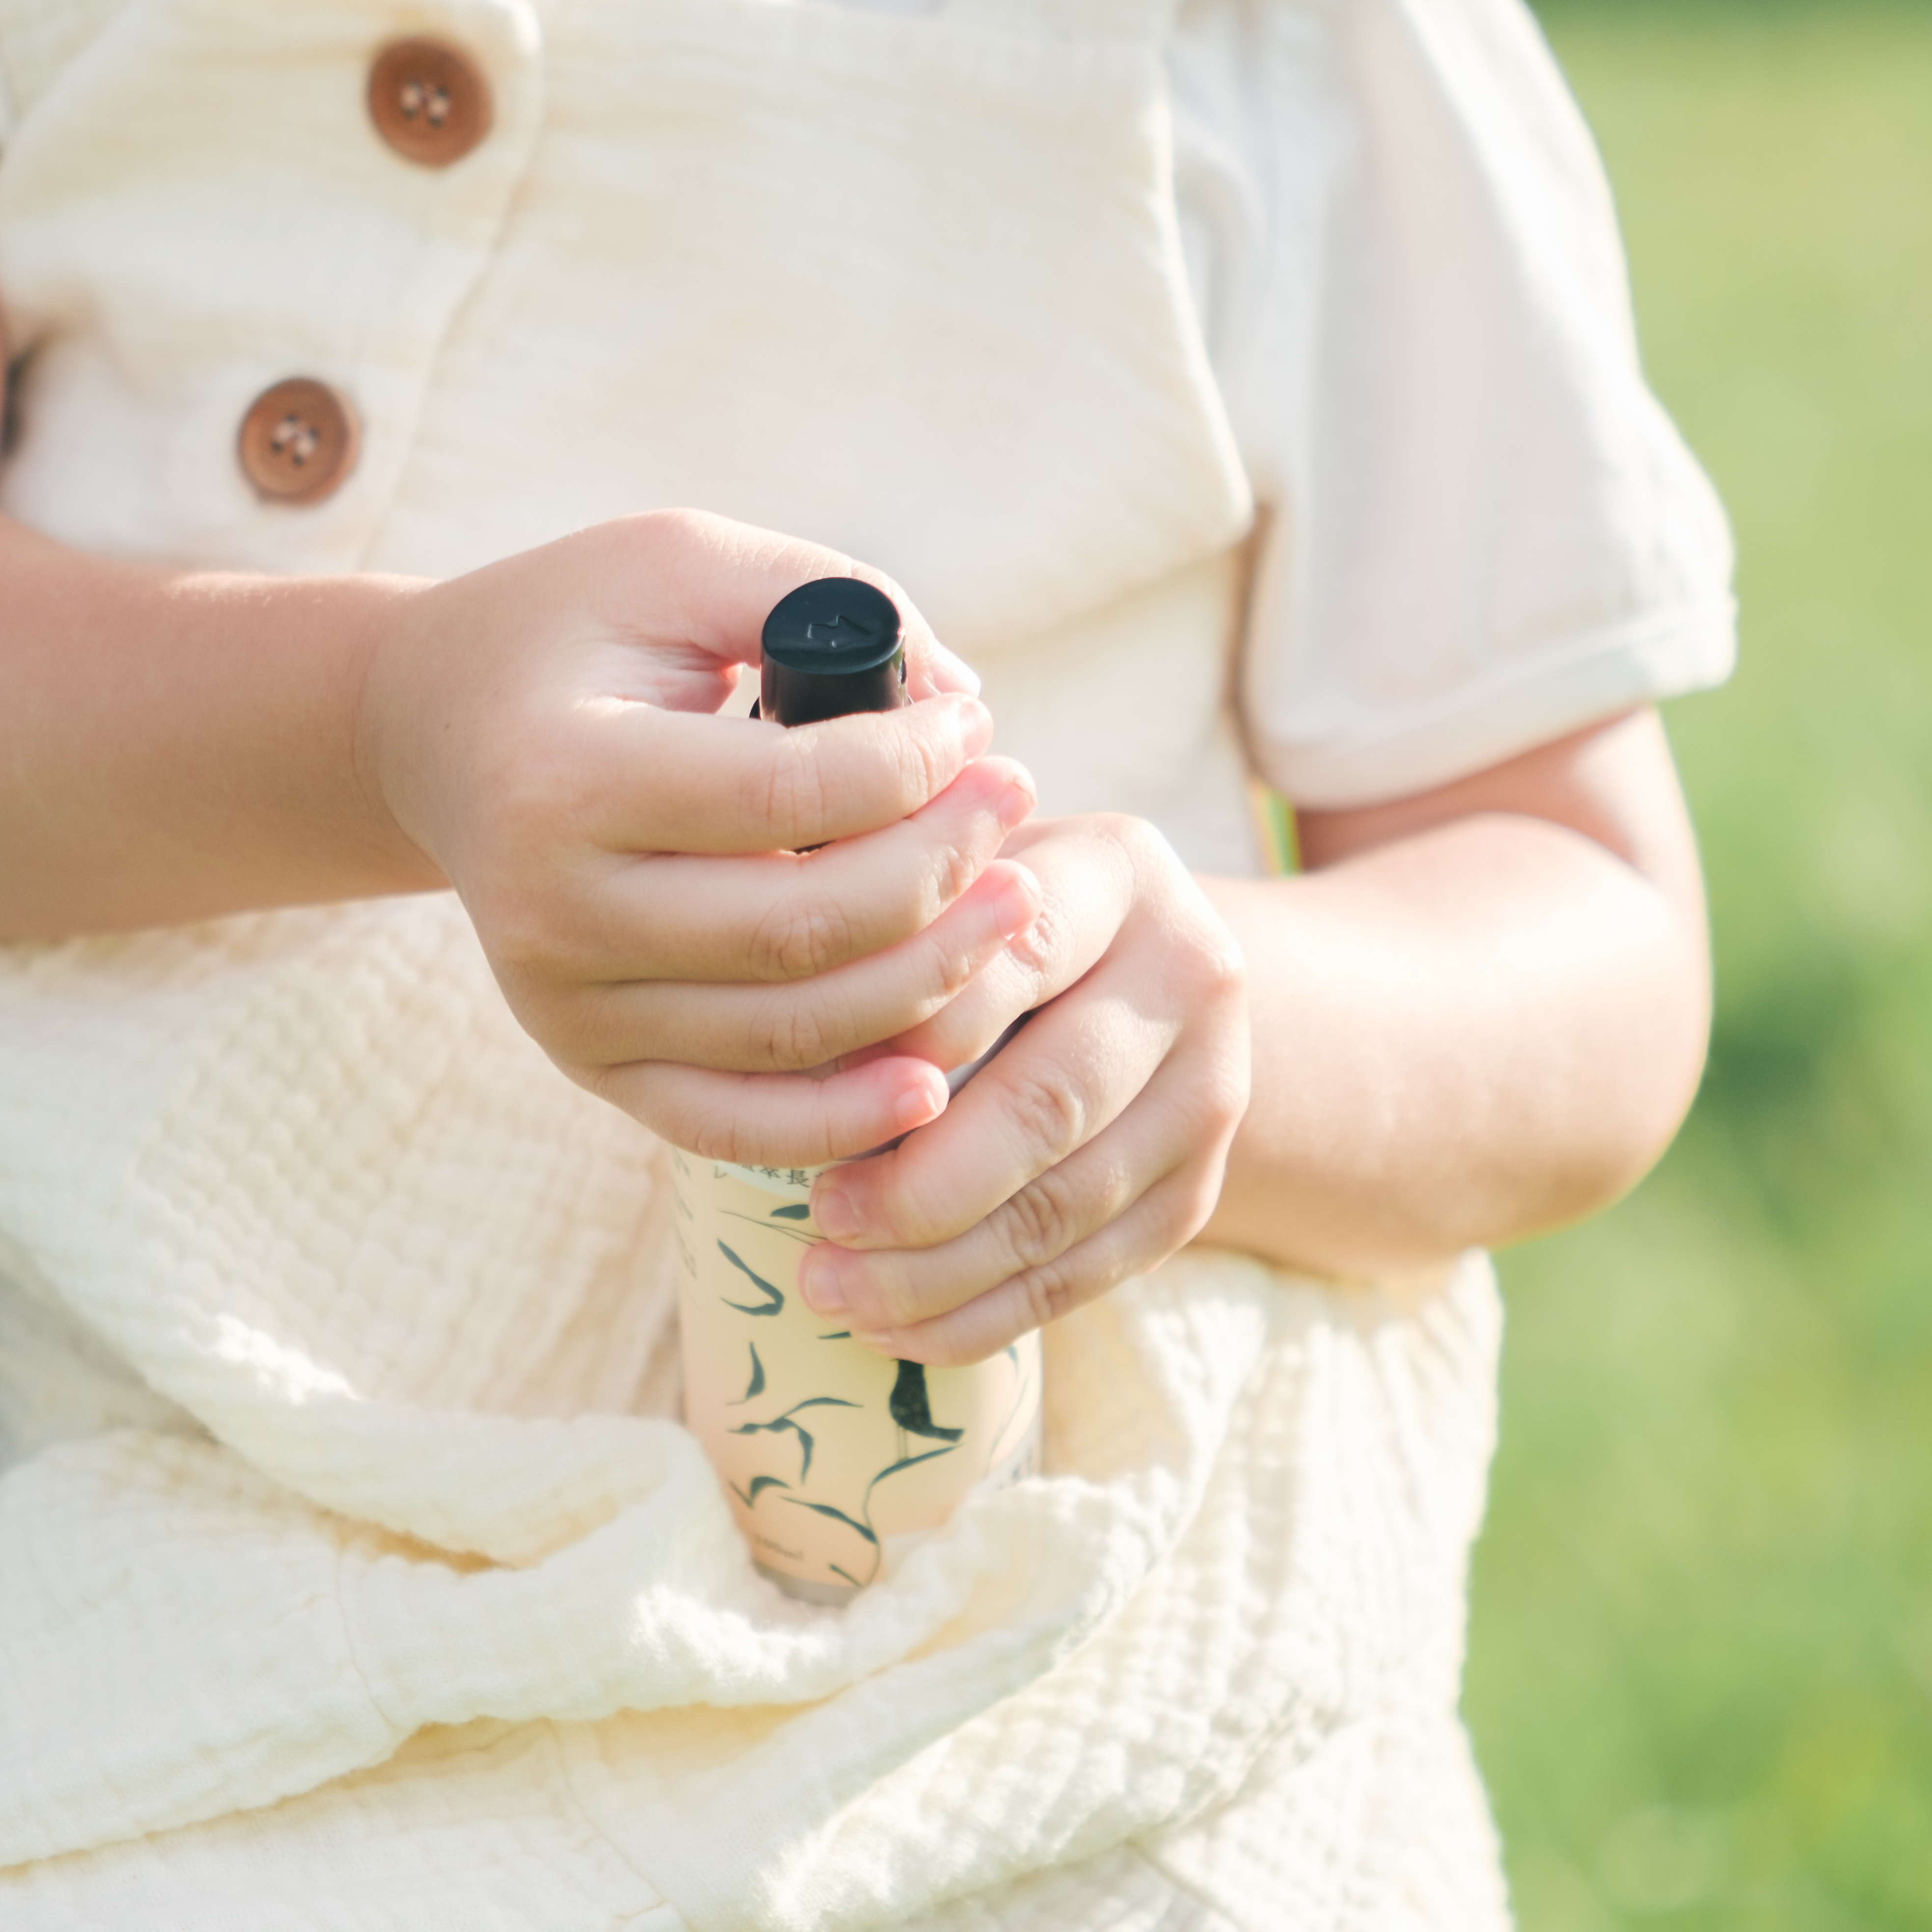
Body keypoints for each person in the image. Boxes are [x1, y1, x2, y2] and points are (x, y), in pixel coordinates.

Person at [0, 0, 1731, 1925]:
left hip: (1052, 1636)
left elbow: (1590, 915)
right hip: (131, 1533)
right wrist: (374, 729)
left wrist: (1178, 1033)